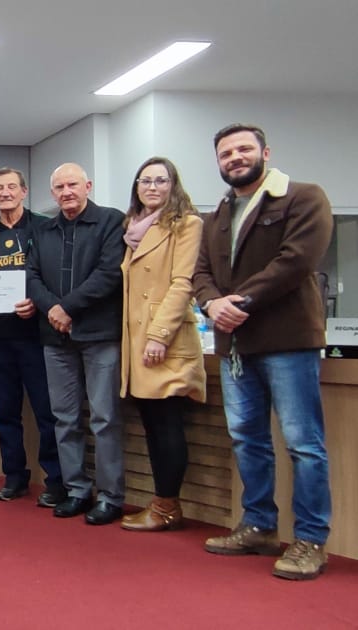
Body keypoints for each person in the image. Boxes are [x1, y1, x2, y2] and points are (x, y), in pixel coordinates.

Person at [194, 124, 334, 580]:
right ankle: (258, 525)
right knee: (247, 439)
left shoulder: (303, 197)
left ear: (265, 152)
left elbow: (296, 261)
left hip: (287, 342)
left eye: (243, 150)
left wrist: (237, 303)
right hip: (236, 346)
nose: (234, 158)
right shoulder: (217, 215)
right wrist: (211, 302)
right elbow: (200, 274)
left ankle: (310, 539)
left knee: (303, 444)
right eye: (226, 153)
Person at [26, 163, 126, 525]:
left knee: (104, 418)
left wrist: (66, 307)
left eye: (72, 185)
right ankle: (77, 490)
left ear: (88, 185)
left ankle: (111, 497)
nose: (66, 192)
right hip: (55, 338)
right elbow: (31, 275)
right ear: (52, 193)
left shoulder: (111, 222)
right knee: (64, 419)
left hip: (99, 336)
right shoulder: (45, 229)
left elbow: (110, 274)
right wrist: (52, 307)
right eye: (59, 187)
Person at [0, 168, 63, 506]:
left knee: (47, 413)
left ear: (24, 191)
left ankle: (56, 481)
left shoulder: (44, 227)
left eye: (11, 187)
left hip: (36, 336)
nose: (5, 193)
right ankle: (15, 477)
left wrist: (38, 302)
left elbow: (52, 276)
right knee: (4, 414)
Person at [117, 157, 207, 532]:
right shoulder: (131, 228)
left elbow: (183, 284)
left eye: (160, 180)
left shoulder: (187, 224)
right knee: (153, 424)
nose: (152, 187)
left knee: (168, 423)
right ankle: (162, 503)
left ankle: (167, 507)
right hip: (135, 340)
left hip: (164, 340)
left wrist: (158, 335)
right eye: (145, 180)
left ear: (174, 185)